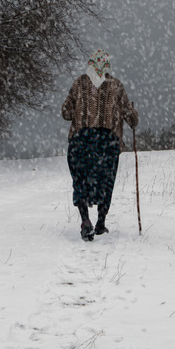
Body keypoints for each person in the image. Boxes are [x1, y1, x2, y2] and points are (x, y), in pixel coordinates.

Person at [61, 49, 139, 241]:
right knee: (106, 181)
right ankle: (100, 223)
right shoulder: (116, 86)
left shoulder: (79, 83)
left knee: (81, 180)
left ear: (89, 64)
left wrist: (82, 111)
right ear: (107, 66)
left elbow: (65, 112)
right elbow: (132, 119)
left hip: (82, 140)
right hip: (107, 142)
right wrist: (131, 114)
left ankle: (85, 220)